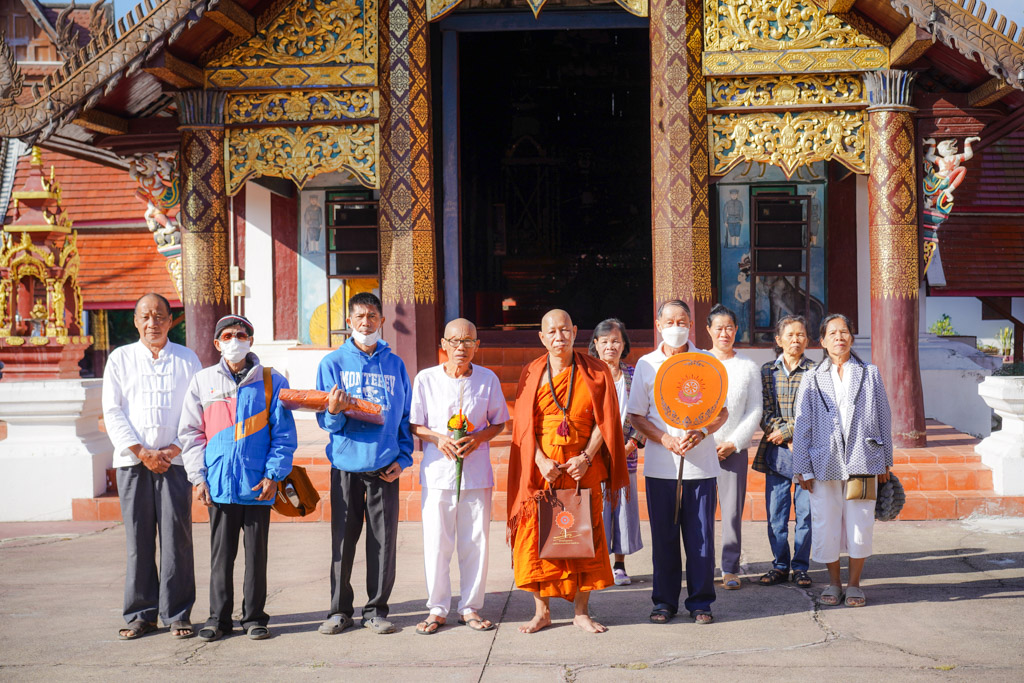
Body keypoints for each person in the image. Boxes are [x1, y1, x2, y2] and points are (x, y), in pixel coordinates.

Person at [507, 309, 629, 634]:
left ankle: (581, 612)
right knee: (536, 537)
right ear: (541, 337)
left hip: (581, 470)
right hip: (543, 471)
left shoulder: (596, 370)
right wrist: (539, 460)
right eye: (551, 332)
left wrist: (586, 457)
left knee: (585, 535)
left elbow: (606, 420)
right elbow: (524, 426)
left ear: (575, 331)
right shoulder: (532, 372)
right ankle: (542, 612)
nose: (558, 337)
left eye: (564, 330)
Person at [179, 314, 297, 642]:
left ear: (251, 341)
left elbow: (283, 435)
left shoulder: (273, 381)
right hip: (219, 485)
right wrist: (198, 477)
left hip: (258, 485)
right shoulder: (203, 381)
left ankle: (254, 617)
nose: (235, 341)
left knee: (256, 557)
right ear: (217, 343)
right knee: (221, 557)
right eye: (228, 336)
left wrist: (273, 475)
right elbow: (191, 434)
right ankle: (218, 618)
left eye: (241, 335)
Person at [102, 293, 201, 640]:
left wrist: (172, 449)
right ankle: (140, 614)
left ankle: (177, 613)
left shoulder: (188, 359)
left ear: (171, 320)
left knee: (177, 539)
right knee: (138, 539)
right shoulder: (120, 359)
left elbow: (196, 410)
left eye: (159, 316)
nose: (152, 323)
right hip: (132, 462)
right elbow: (112, 411)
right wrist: (142, 452)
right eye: (145, 316)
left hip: (175, 462)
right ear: (135, 321)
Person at [316, 292, 413, 635]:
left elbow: (405, 417)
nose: (366, 322)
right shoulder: (333, 363)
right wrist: (334, 411)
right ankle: (339, 611)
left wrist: (403, 458)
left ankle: (376, 610)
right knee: (343, 542)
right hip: (346, 464)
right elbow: (325, 421)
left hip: (385, 466)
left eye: (372, 316)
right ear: (349, 322)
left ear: (382, 321)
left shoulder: (395, 365)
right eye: (359, 316)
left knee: (383, 543)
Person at [627, 300, 729, 625]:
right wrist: (664, 439)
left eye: (682, 321)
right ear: (658, 325)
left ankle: (701, 602)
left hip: (701, 467)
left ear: (691, 325)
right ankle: (664, 602)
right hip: (661, 467)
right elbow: (636, 415)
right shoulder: (647, 364)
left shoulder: (707, 361)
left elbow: (721, 411)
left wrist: (702, 431)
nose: (676, 327)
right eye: (669, 322)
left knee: (701, 538)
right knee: (664, 538)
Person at [409, 318, 510, 634]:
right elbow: (415, 424)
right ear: (443, 344)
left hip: (476, 474)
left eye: (467, 341)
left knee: (475, 542)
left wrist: (478, 438)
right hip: (438, 474)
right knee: (436, 542)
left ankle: (470, 607)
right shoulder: (426, 379)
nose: (461, 347)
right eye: (454, 341)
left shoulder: (487, 379)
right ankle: (437, 608)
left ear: (476, 345)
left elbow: (499, 422)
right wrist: (438, 439)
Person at [793, 313, 893, 608]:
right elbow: (802, 425)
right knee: (826, 522)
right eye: (832, 333)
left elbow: (884, 417)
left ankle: (854, 584)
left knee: (860, 522)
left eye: (844, 332)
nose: (839, 337)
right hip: (823, 461)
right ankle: (834, 583)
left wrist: (886, 461)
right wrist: (802, 468)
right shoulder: (812, 377)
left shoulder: (869, 373)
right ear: (822, 341)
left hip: (864, 458)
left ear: (851, 337)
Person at [752, 315, 816, 589]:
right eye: (790, 335)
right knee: (776, 515)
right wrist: (779, 433)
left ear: (807, 340)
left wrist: (789, 433)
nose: (795, 340)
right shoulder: (767, 371)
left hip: (808, 454)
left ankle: (800, 567)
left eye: (800, 335)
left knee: (805, 515)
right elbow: (763, 409)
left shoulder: (815, 371)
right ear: (778, 340)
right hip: (776, 454)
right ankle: (780, 565)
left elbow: (815, 412)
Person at [705, 304, 761, 590]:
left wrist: (734, 442)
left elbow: (755, 409)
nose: (724, 333)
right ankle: (702, 567)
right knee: (699, 512)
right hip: (700, 447)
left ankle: (730, 567)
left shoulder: (747, 367)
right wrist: (704, 439)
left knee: (732, 512)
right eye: (719, 328)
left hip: (733, 449)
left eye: (729, 327)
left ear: (736, 330)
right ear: (708, 330)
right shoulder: (698, 362)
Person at [588, 318, 645, 586]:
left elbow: (646, 413)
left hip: (627, 452)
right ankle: (597, 564)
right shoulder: (587, 374)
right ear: (596, 344)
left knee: (623, 510)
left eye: (616, 341)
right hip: (594, 455)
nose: (610, 346)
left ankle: (619, 565)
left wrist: (630, 445)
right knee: (597, 511)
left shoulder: (634, 374)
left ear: (624, 345)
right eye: (605, 341)